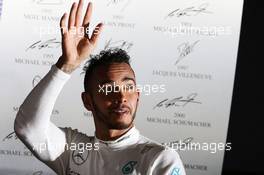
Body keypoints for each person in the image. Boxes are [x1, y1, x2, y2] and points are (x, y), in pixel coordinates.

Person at [14, 0, 186, 174]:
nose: (121, 97)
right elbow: (27, 127)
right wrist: (66, 66)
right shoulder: (72, 149)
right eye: (108, 89)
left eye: (128, 87)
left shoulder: (160, 158)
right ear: (88, 101)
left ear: (138, 96)